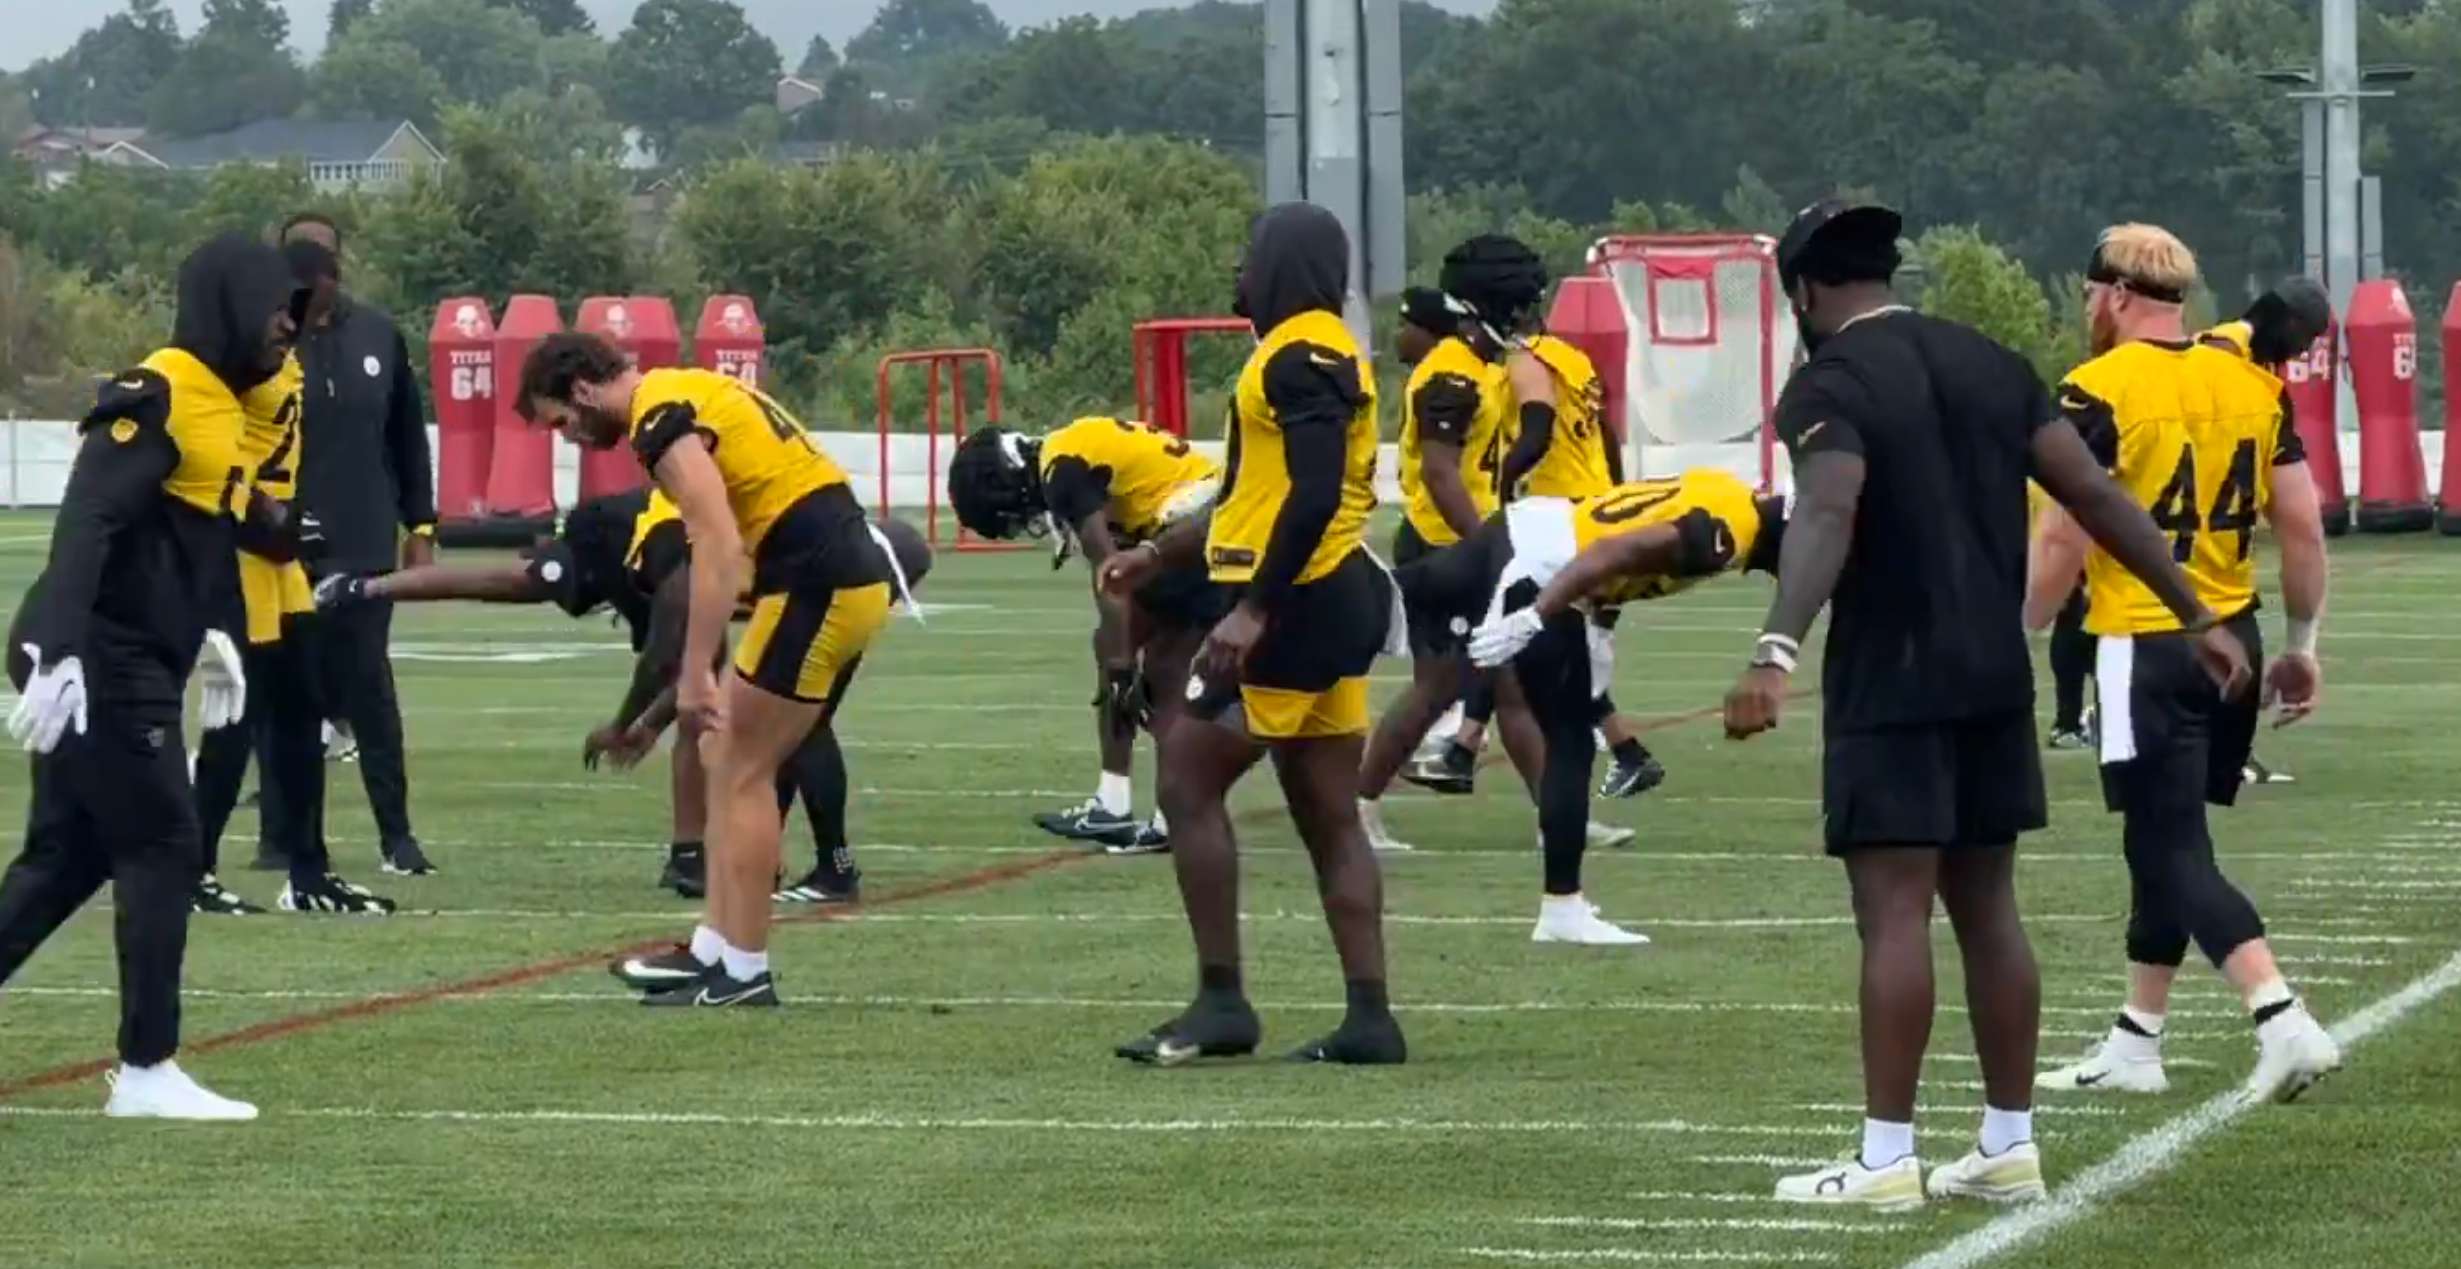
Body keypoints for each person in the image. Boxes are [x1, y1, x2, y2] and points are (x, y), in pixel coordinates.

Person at [1721, 199, 2250, 1210]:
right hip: (1995, 672)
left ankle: (1885, 1160)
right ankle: (2007, 1144)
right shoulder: (1989, 361)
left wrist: (1775, 648)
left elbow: (1827, 509)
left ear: (1803, 288)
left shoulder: (1825, 382)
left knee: (1891, 914)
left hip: (1894, 678)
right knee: (1988, 910)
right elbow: (2094, 496)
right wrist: (2195, 610)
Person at [0, 233, 310, 1120]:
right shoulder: (163, 387)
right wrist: (56, 650)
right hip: (101, 653)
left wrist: (212, 631)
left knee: (67, 855)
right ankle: (146, 1067)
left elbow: (198, 536)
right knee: (166, 842)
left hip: (138, 649)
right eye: (277, 309)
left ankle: (147, 1065)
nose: (288, 327)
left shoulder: (225, 402)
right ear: (229, 301)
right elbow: (90, 517)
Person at [2023, 228, 2336, 1102]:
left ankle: (2278, 1014)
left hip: (2142, 638)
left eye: (2089, 292)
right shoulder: (2245, 381)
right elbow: (2303, 528)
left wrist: (2020, 623)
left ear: (2119, 294)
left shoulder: (2096, 386)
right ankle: (2136, 1037)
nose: (2086, 308)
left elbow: (2061, 527)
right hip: (2232, 637)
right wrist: (2302, 646)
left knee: (2164, 848)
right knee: (2167, 838)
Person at [1097, 202, 1405, 1066]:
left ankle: (1222, 1001)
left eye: (1248, 256)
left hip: (1299, 600)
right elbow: (1246, 494)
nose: (1236, 274)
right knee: (1326, 811)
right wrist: (1156, 556)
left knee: (1187, 775)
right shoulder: (1309, 347)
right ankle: (1369, 1018)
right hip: (1328, 596)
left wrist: (1253, 607)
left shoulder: (1300, 351)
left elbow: (1308, 496)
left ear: (1282, 265)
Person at [514, 335, 901, 1008]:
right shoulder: (681, 389)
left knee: (745, 765)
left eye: (561, 422)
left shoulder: (657, 414)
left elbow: (715, 541)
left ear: (580, 390)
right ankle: (715, 947)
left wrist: (695, 671)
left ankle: (744, 969)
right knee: (727, 752)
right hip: (820, 573)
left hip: (818, 579)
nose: (570, 437)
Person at [320, 490, 930, 903]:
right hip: (850, 564)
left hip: (845, 573)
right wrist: (372, 588)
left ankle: (822, 869)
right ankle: (724, 860)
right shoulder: (656, 540)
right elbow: (488, 578)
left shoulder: (668, 559)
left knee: (797, 724)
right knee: (768, 720)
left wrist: (626, 725)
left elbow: (674, 653)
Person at [1399, 467, 1786, 948]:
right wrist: (1537, 614)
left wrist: (1599, 626)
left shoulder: (1728, 491)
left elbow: (1620, 532)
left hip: (1531, 525)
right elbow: (1613, 551)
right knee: (1569, 741)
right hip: (1548, 568)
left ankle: (1288, 633)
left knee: (1395, 598)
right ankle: (1562, 908)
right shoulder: (1726, 536)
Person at [190, 239, 395, 916]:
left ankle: (308, 871)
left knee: (302, 711)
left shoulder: (288, 357)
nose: (301, 315)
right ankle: (190, 869)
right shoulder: (235, 361)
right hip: (244, 553)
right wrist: (265, 517)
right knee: (235, 721)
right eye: (295, 301)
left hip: (280, 560)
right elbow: (219, 461)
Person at [943, 416, 1222, 854]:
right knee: (1120, 652)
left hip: (1192, 528)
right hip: (1194, 521)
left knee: (1159, 671)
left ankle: (1168, 813)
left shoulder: (1062, 470)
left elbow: (1111, 578)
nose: (1022, 522)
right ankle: (1117, 805)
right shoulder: (1066, 452)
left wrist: (1120, 670)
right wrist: (1117, 663)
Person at [1353, 285, 1543, 855]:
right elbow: (1440, 473)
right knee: (1439, 686)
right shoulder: (1448, 375)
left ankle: (1559, 817)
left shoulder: (1479, 368)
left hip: (1468, 541)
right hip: (1445, 548)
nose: (1398, 334)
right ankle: (1358, 807)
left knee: (1510, 684)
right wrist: (1489, 544)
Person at [276, 212, 437, 878]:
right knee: (286, 690)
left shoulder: (379, 333)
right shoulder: (264, 340)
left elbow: (406, 437)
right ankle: (284, 836)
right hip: (281, 543)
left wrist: (420, 525)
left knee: (370, 687)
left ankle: (396, 836)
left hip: (366, 540)